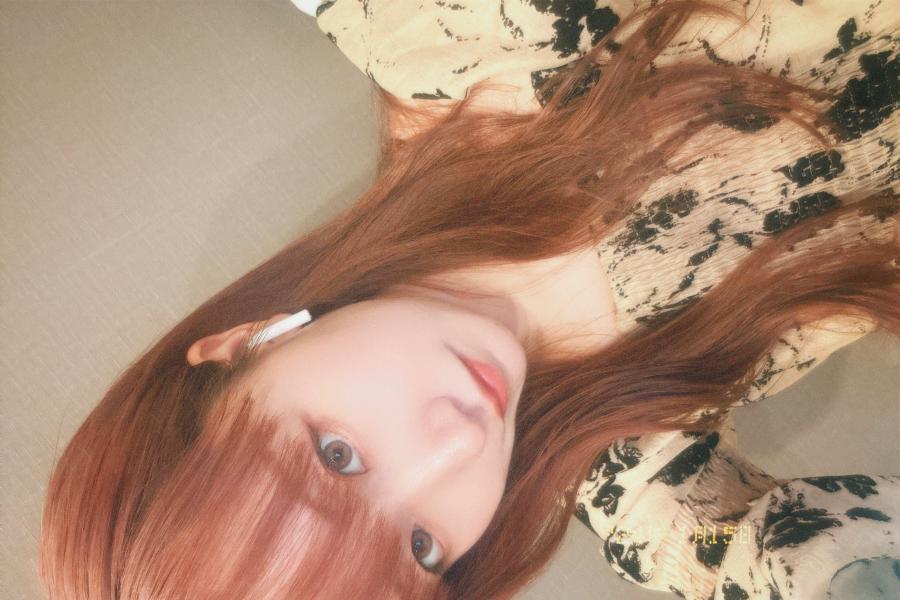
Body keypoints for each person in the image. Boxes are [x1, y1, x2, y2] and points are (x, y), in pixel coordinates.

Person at [39, 1, 898, 598]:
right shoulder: (624, 466)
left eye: (337, 455)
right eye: (424, 548)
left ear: (244, 343)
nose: (457, 445)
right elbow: (741, 551)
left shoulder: (451, 34)